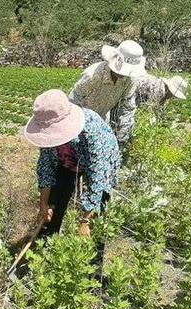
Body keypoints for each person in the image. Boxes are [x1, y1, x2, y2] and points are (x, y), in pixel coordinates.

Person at [24, 89, 121, 263]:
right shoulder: (47, 131)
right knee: (55, 201)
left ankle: (93, 269)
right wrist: (44, 203)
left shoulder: (92, 131)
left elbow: (98, 178)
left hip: (100, 162)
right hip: (68, 160)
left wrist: (85, 221)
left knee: (97, 215)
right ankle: (46, 252)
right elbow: (46, 167)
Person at [68, 40, 147, 149]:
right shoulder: (93, 75)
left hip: (102, 121)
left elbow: (126, 108)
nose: (122, 74)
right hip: (80, 120)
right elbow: (73, 101)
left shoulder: (130, 80)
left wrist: (121, 137)